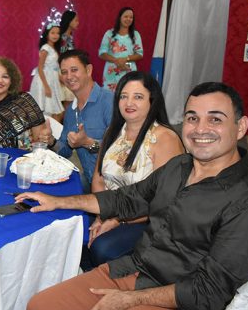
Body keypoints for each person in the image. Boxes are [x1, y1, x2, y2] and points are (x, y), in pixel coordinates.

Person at [18, 82, 248, 310]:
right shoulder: (179, 166)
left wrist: (131, 300)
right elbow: (127, 199)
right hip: (137, 270)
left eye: (215, 119)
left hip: (187, 305)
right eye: (192, 118)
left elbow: (209, 291)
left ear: (240, 127)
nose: (200, 129)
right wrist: (59, 202)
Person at [86, 71, 184, 268]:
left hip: (146, 219)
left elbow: (162, 202)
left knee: (101, 247)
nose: (129, 103)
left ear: (152, 101)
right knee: (74, 226)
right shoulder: (113, 131)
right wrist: (102, 214)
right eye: (124, 96)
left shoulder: (164, 138)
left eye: (138, 97)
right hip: (110, 208)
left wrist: (117, 220)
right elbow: (98, 178)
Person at [57, 49, 114, 190]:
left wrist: (88, 143)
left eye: (74, 70)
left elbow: (120, 149)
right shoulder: (71, 111)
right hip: (89, 181)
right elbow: (65, 151)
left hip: (113, 187)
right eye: (64, 72)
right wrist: (50, 141)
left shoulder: (109, 101)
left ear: (88, 70)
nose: (69, 76)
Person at [0, 56, 50, 149]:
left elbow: (40, 141)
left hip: (24, 157)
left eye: (5, 77)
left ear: (11, 81)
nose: (0, 80)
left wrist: (46, 137)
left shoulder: (24, 101)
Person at [98, 7, 144, 91]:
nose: (128, 19)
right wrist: (117, 61)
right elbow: (102, 53)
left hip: (128, 71)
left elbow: (140, 54)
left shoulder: (135, 35)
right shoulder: (109, 34)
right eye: (126, 16)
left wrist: (125, 59)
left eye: (131, 17)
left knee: (128, 95)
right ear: (120, 18)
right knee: (110, 97)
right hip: (111, 73)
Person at [29, 23, 66, 122]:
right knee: (47, 107)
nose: (55, 35)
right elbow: (40, 68)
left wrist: (61, 79)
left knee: (55, 108)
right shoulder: (45, 48)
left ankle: (52, 128)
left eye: (57, 33)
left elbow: (55, 68)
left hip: (53, 79)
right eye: (52, 33)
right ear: (47, 34)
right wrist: (46, 86)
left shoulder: (53, 48)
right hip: (46, 79)